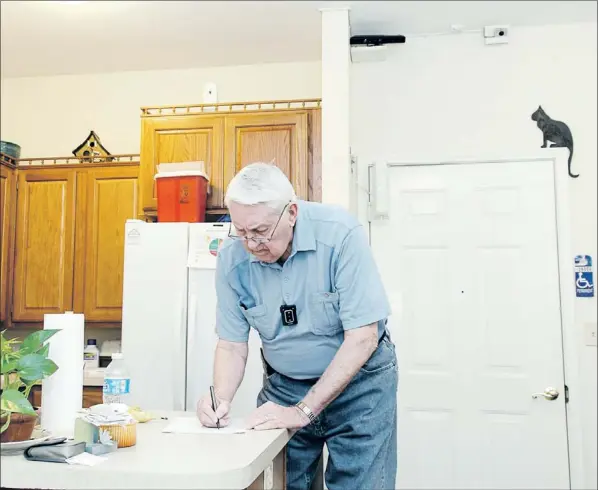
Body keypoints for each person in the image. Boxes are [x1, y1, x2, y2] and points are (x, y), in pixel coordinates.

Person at [197, 162, 398, 490]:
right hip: (285, 387)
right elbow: (232, 344)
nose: (250, 243)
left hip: (361, 387)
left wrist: (305, 410)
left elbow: (363, 338)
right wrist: (219, 399)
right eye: (241, 231)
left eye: (260, 232)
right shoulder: (232, 259)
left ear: (291, 212)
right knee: (280, 482)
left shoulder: (340, 234)